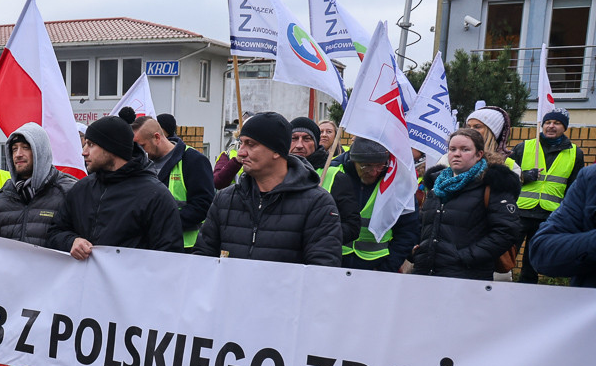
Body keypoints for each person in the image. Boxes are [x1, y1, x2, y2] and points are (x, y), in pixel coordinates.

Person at [193, 112, 342, 266]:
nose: (241, 152)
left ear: (277, 151)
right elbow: (202, 260)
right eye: (241, 143)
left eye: (251, 144)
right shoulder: (225, 200)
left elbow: (323, 271)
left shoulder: (318, 204)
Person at [48, 114, 182, 258]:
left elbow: (169, 256)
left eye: (91, 145)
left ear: (112, 147)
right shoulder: (81, 189)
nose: (84, 152)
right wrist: (71, 242)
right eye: (85, 144)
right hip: (85, 280)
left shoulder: (156, 196)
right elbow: (55, 232)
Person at [413, 128, 521, 280]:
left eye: (465, 149)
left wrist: (466, 257)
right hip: (426, 273)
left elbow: (506, 232)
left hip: (467, 276)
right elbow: (422, 223)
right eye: (452, 149)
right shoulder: (437, 185)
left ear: (479, 155)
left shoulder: (492, 186)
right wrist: (416, 251)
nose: (457, 154)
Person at [510, 107, 586, 283]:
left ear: (564, 127)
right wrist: (524, 176)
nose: (551, 126)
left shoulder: (576, 153)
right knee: (505, 255)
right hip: (519, 213)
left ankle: (528, 294)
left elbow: (574, 189)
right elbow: (507, 177)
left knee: (533, 262)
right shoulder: (524, 147)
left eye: (557, 123)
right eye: (548, 122)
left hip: (549, 215)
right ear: (541, 125)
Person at [326, 138, 419, 272]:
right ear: (353, 161)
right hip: (332, 263)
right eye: (367, 166)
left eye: (380, 165)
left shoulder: (398, 182)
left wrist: (386, 268)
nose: (374, 172)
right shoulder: (331, 171)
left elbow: (408, 231)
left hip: (377, 267)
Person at [132, 115, 214, 250]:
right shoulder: (142, 164)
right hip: (152, 245)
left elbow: (203, 205)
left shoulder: (193, 160)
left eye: (142, 146)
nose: (141, 152)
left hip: (186, 248)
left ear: (157, 137)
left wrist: (163, 223)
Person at [0, 123, 77, 246]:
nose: (18, 154)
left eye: (25, 147)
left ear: (40, 151)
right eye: (14, 149)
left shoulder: (68, 191)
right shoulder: (2, 198)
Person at [528, 164, 596, 288]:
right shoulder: (590, 178)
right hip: (528, 214)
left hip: (544, 211)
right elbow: (541, 252)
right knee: (527, 274)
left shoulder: (574, 154)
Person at [213, 110, 254, 190]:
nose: (241, 127)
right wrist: (236, 162)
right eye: (240, 124)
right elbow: (217, 182)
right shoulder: (227, 154)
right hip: (234, 200)